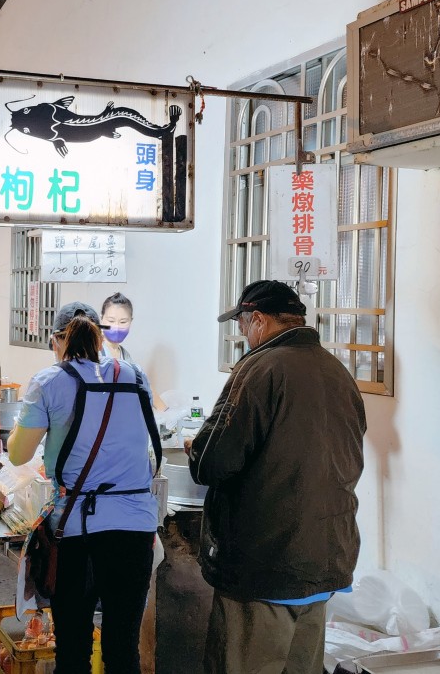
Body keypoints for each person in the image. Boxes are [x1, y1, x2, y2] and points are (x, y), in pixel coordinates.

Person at [187, 280, 366, 674]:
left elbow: (213, 463)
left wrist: (194, 450)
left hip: (265, 563)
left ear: (261, 321)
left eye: (244, 324)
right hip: (325, 559)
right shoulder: (337, 371)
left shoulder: (259, 369)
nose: (243, 335)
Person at [8, 302, 158, 674]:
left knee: (73, 650)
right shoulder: (135, 375)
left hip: (78, 532)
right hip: (136, 528)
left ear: (59, 339)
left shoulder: (49, 381)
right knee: (123, 650)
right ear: (99, 336)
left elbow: (17, 454)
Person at [100, 292, 134, 362]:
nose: (116, 327)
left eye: (123, 322)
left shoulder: (126, 356)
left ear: (131, 321)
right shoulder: (92, 351)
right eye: (111, 321)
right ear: (102, 319)